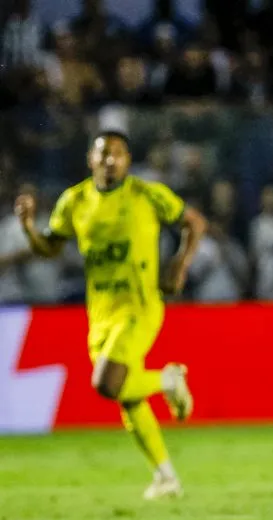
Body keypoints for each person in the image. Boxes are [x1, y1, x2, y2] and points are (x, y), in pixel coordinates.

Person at [14, 131, 206, 500]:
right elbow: (50, 249)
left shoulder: (147, 195)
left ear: (128, 160)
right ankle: (166, 476)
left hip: (140, 306)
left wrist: (180, 263)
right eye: (103, 154)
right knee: (127, 394)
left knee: (106, 382)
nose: (110, 161)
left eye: (117, 154)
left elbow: (194, 222)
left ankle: (168, 381)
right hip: (100, 313)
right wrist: (27, 228)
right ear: (91, 159)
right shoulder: (74, 200)